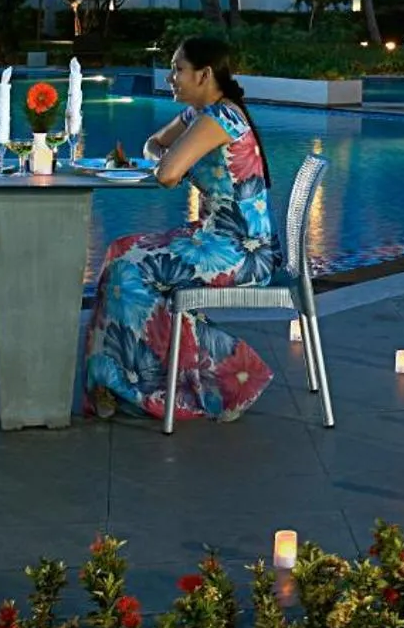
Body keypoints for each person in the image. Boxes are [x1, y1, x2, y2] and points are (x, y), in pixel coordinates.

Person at [83, 35, 275, 423]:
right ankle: (112, 379)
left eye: (178, 69)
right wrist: (169, 158)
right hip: (210, 235)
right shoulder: (198, 114)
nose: (171, 77)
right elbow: (153, 144)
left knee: (130, 270)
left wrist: (171, 162)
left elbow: (167, 174)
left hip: (238, 250)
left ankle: (225, 377)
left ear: (204, 74)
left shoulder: (220, 118)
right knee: (120, 250)